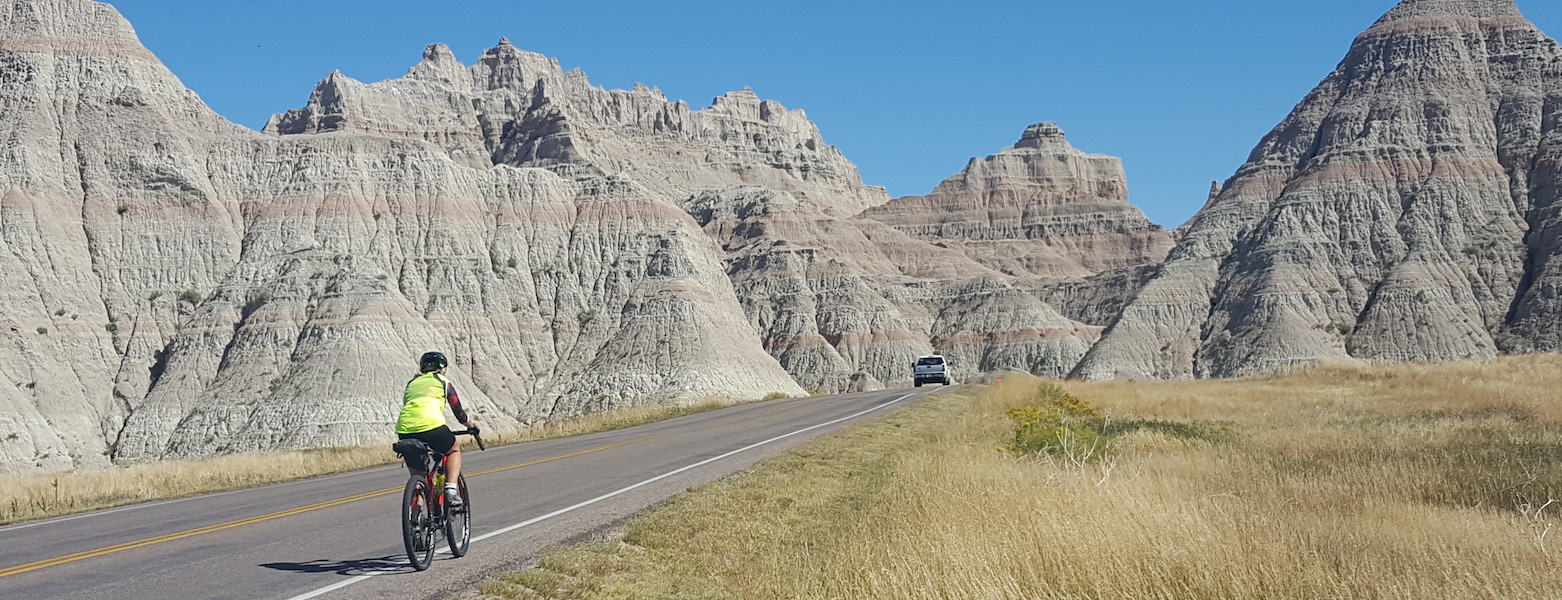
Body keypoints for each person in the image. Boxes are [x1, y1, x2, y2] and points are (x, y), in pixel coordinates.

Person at [396, 351, 477, 507]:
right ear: (443, 368)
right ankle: (451, 490)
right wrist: (470, 425)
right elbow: (458, 411)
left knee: (419, 478)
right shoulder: (443, 382)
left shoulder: (411, 384)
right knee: (453, 450)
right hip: (432, 425)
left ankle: (416, 520)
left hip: (405, 430)